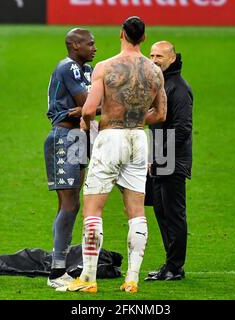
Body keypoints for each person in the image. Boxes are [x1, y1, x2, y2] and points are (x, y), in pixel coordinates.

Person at [58, 16, 167, 293]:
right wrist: (138, 118)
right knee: (136, 212)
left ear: (121, 34)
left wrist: (89, 120)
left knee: (93, 210)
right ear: (143, 38)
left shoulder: (106, 67)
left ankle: (89, 278)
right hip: (138, 139)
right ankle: (132, 279)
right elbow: (162, 113)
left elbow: (88, 108)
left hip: (110, 138)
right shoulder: (155, 72)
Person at [44, 28, 97, 288]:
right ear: (75, 46)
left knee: (72, 203)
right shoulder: (69, 67)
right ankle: (56, 274)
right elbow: (89, 104)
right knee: (69, 203)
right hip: (64, 136)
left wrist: (92, 107)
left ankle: (59, 264)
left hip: (79, 136)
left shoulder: (88, 70)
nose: (95, 48)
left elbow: (91, 106)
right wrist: (93, 107)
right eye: (90, 44)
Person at [145, 41, 193, 281]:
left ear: (172, 59)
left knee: (173, 214)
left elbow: (182, 129)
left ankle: (175, 267)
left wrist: (160, 156)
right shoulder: (160, 84)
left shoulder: (179, 88)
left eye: (160, 56)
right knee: (162, 212)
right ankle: (171, 264)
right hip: (159, 158)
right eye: (152, 55)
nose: (154, 59)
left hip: (171, 161)